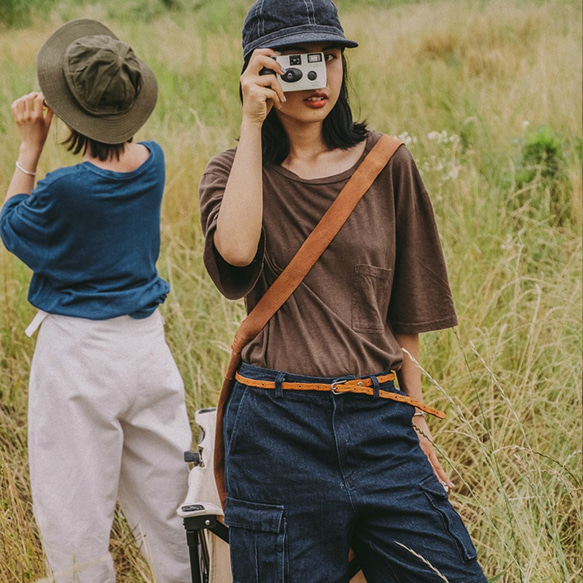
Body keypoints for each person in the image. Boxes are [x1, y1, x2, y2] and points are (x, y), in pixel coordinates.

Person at [198, 0, 488, 582]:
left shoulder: (387, 163)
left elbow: (406, 309)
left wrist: (417, 422)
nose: (318, 76)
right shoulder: (231, 170)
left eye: (329, 57)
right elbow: (234, 252)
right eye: (295, 60)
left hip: (379, 418)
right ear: (259, 71)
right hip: (275, 426)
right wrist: (252, 124)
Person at [0, 19, 192, 582]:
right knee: (170, 506)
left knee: (75, 517)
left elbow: (12, 225)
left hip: (79, 359)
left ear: (65, 110)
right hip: (146, 350)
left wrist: (31, 146)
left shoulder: (66, 189)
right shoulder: (151, 162)